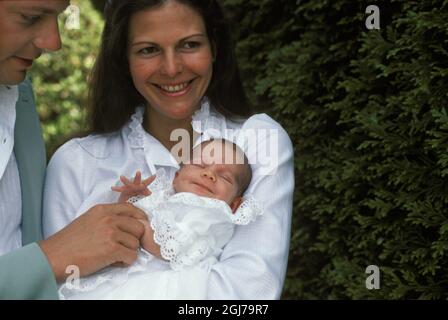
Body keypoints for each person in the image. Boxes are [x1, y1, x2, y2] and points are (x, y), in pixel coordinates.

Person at [43, 0, 294, 299]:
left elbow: (248, 294)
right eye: (148, 49)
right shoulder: (76, 163)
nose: (172, 68)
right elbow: (62, 291)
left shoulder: (258, 142)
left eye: (189, 44)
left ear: (214, 47)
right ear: (123, 59)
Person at [0, 0, 149, 299]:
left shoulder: (18, 92)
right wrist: (51, 256)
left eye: (59, 16)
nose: (53, 42)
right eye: (30, 17)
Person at [57, 139, 264, 299]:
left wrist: (140, 228)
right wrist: (131, 201)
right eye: (200, 165)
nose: (209, 174)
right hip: (131, 272)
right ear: (176, 177)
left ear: (235, 204)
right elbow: (125, 221)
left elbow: (174, 245)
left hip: (165, 282)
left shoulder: (213, 213)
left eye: (224, 177)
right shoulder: (164, 197)